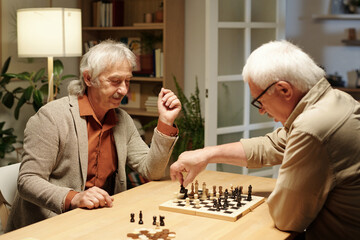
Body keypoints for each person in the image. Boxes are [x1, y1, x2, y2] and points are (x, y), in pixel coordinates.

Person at [170, 40, 360, 239]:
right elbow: (273, 145)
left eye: (259, 101)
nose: (261, 111)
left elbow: (286, 218)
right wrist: (206, 154)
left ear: (284, 90)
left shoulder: (313, 127)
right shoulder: (336, 100)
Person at [6, 39, 181, 231]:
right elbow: (28, 180)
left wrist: (165, 122)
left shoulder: (123, 120)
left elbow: (151, 171)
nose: (123, 90)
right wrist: (75, 198)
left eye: (127, 81)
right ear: (88, 78)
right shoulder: (51, 117)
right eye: (115, 81)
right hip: (48, 225)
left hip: (99, 220)